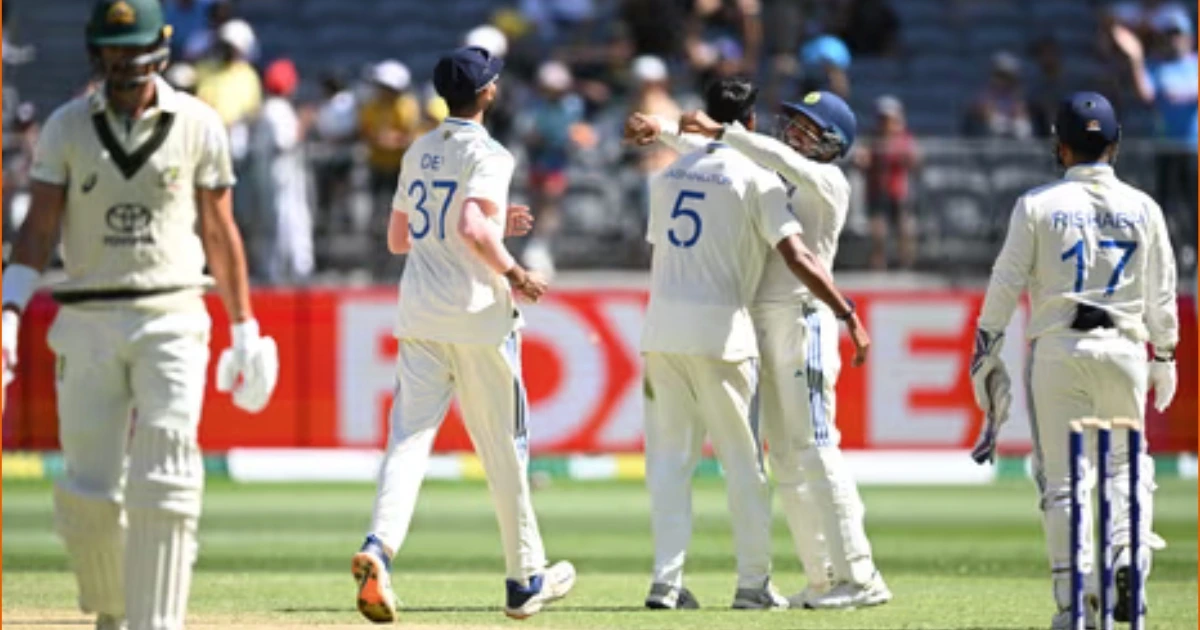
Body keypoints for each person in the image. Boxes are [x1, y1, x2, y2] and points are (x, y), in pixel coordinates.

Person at [0, 1, 279, 629]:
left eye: (134, 50)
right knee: (88, 500)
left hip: (174, 314)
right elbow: (38, 229)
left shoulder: (199, 123)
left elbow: (220, 229)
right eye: (112, 50)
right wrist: (9, 315)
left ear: (162, 48)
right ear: (96, 51)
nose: (123, 63)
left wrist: (244, 327)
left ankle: (156, 623)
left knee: (167, 474)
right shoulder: (66, 127)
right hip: (88, 320)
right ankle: (117, 607)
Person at [633, 88, 888, 609]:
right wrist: (663, 133)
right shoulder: (765, 167)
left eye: (809, 129)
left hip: (803, 320)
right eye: (793, 121)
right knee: (787, 461)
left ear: (833, 144)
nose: (794, 133)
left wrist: (722, 131)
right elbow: (716, 161)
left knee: (816, 448)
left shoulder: (827, 179)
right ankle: (823, 579)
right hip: (757, 323)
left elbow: (760, 154)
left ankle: (861, 578)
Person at [350, 45, 573, 624]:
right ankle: (524, 580)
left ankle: (379, 547)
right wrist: (516, 272)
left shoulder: (420, 148)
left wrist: (496, 222)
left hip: (420, 313)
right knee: (504, 450)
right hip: (478, 316)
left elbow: (400, 240)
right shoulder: (491, 154)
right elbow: (472, 225)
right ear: (490, 92)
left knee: (408, 439)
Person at [968, 92, 1176, 630]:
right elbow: (1163, 296)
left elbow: (1006, 281)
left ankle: (1076, 601)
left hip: (1059, 348)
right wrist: (1166, 354)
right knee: (1126, 468)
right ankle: (1130, 558)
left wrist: (985, 345)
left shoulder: (1036, 204)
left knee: (1063, 481)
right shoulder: (1145, 207)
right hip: (1127, 350)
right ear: (1115, 145)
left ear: (1059, 147)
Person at [858, 95, 919, 270]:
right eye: (882, 118)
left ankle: (905, 262)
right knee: (878, 229)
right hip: (876, 190)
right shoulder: (871, 138)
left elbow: (914, 161)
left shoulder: (905, 138)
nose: (885, 123)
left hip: (898, 191)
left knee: (904, 227)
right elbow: (862, 160)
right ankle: (879, 263)